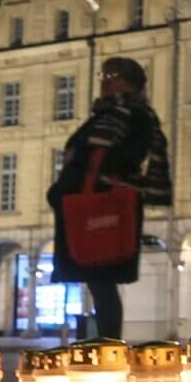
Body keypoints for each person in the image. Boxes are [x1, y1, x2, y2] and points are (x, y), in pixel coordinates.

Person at [47, 57, 171, 340]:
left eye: (113, 74)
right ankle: (107, 342)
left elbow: (125, 156)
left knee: (102, 279)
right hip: (91, 200)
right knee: (98, 281)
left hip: (104, 204)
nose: (105, 79)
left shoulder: (133, 114)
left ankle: (109, 344)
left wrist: (89, 172)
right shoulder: (111, 113)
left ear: (131, 82)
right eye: (104, 73)